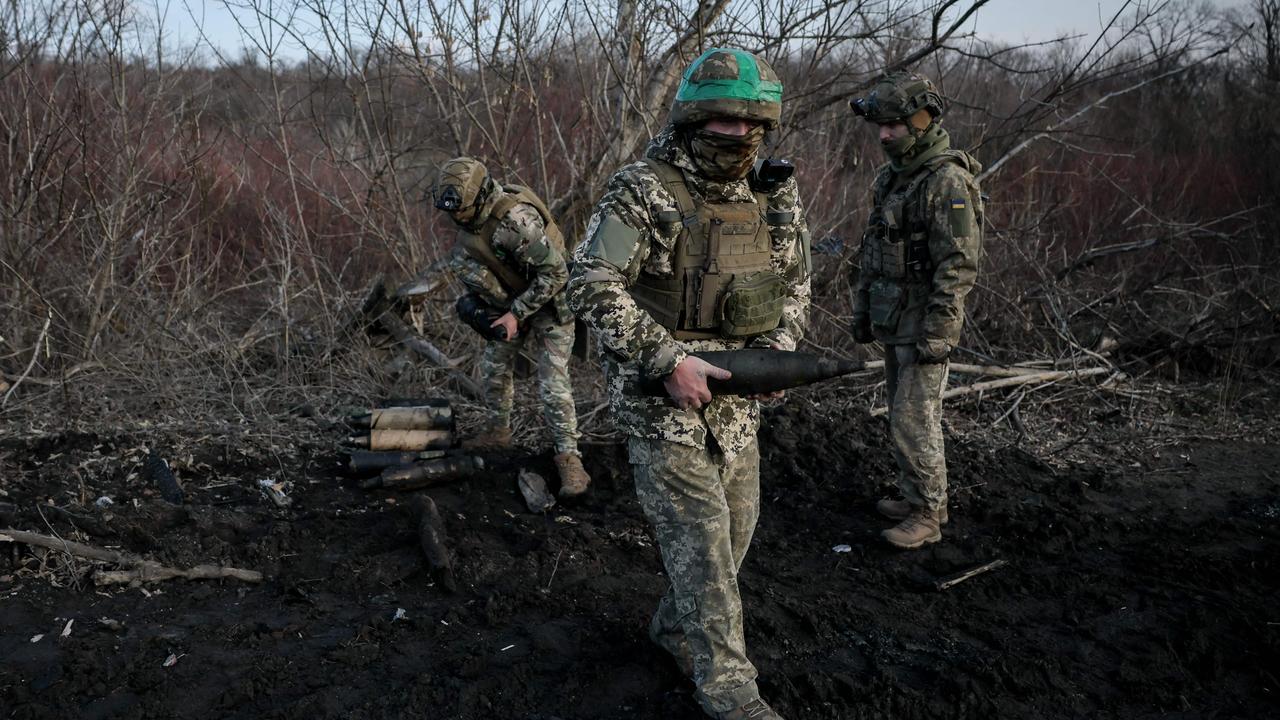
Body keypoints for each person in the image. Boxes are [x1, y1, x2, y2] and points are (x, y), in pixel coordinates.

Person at [567, 48, 810, 720]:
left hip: (739, 399)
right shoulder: (643, 188)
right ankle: (730, 691)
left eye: (749, 124)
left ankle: (675, 630)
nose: (735, 136)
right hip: (661, 401)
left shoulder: (770, 191)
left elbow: (793, 283)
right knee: (703, 553)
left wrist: (779, 355)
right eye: (721, 123)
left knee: (735, 539)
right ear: (692, 119)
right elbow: (587, 281)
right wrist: (665, 360)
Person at [848, 71, 983, 549]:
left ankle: (928, 513)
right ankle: (917, 496)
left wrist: (941, 332)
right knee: (901, 414)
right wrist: (862, 308)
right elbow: (873, 249)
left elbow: (959, 264)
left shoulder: (947, 181)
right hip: (895, 316)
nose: (884, 135)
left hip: (924, 321)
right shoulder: (893, 179)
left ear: (922, 121)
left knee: (913, 418)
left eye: (895, 126)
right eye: (880, 126)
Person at [433, 157, 590, 497]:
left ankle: (569, 457)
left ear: (478, 196)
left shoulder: (516, 220)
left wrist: (517, 314)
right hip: (512, 301)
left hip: (551, 301)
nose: (455, 218)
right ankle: (497, 431)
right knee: (493, 365)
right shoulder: (471, 225)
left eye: (460, 211)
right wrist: (478, 308)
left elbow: (557, 273)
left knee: (552, 382)